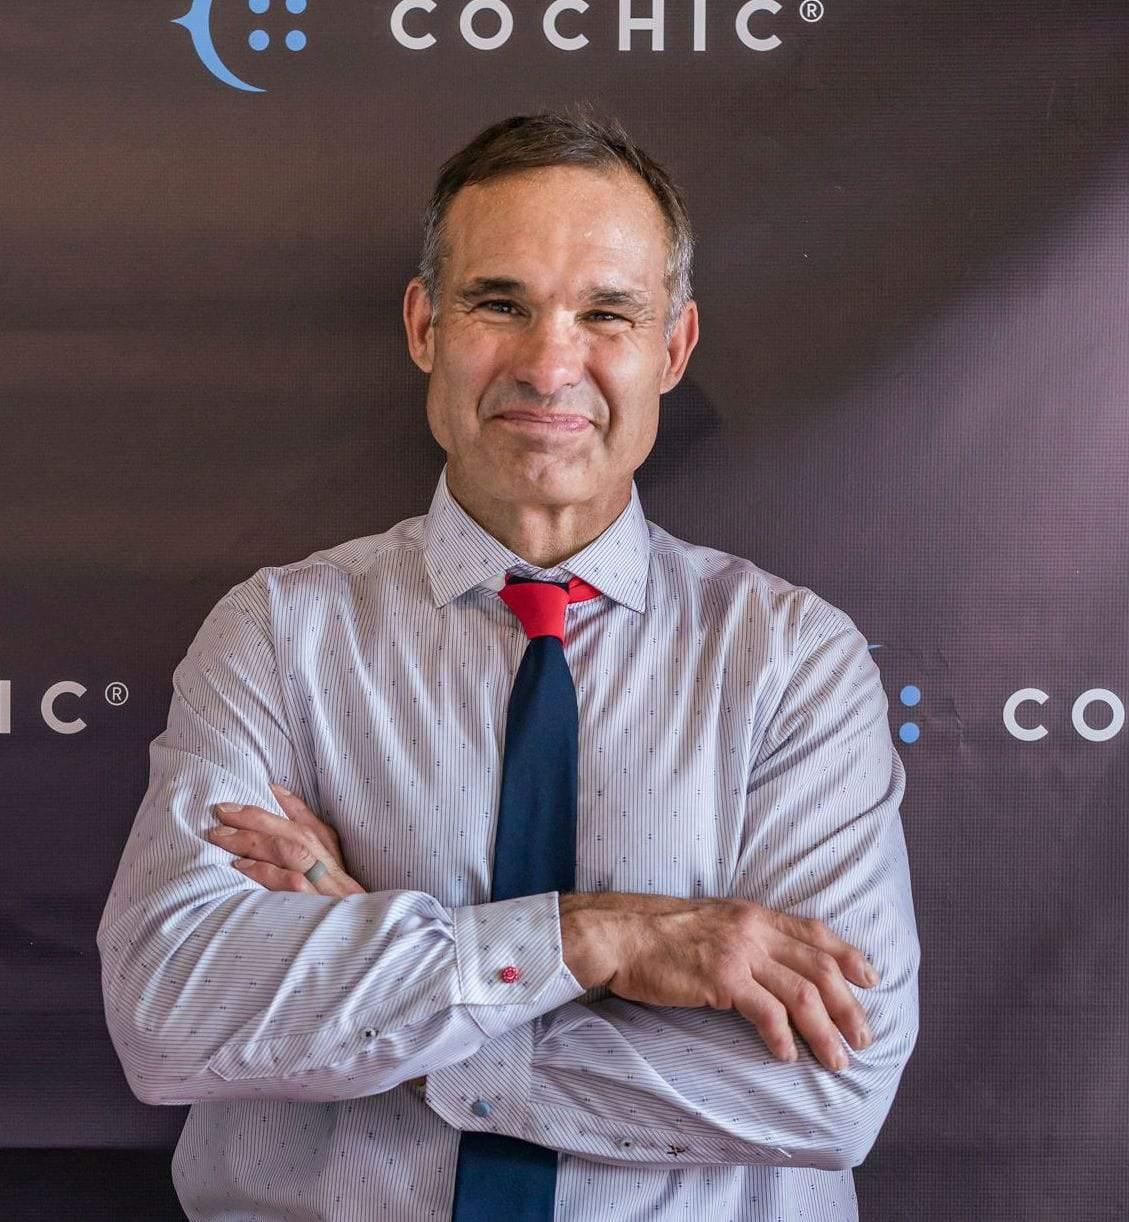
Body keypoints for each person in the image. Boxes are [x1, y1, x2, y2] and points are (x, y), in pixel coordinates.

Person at [97, 107, 919, 1221]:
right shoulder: (278, 636)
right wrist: (594, 938)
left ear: (672, 348)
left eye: (606, 313)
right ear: (423, 325)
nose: (548, 363)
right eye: (500, 304)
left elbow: (828, 1092)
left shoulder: (791, 662)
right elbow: (174, 1013)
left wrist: (382, 972)